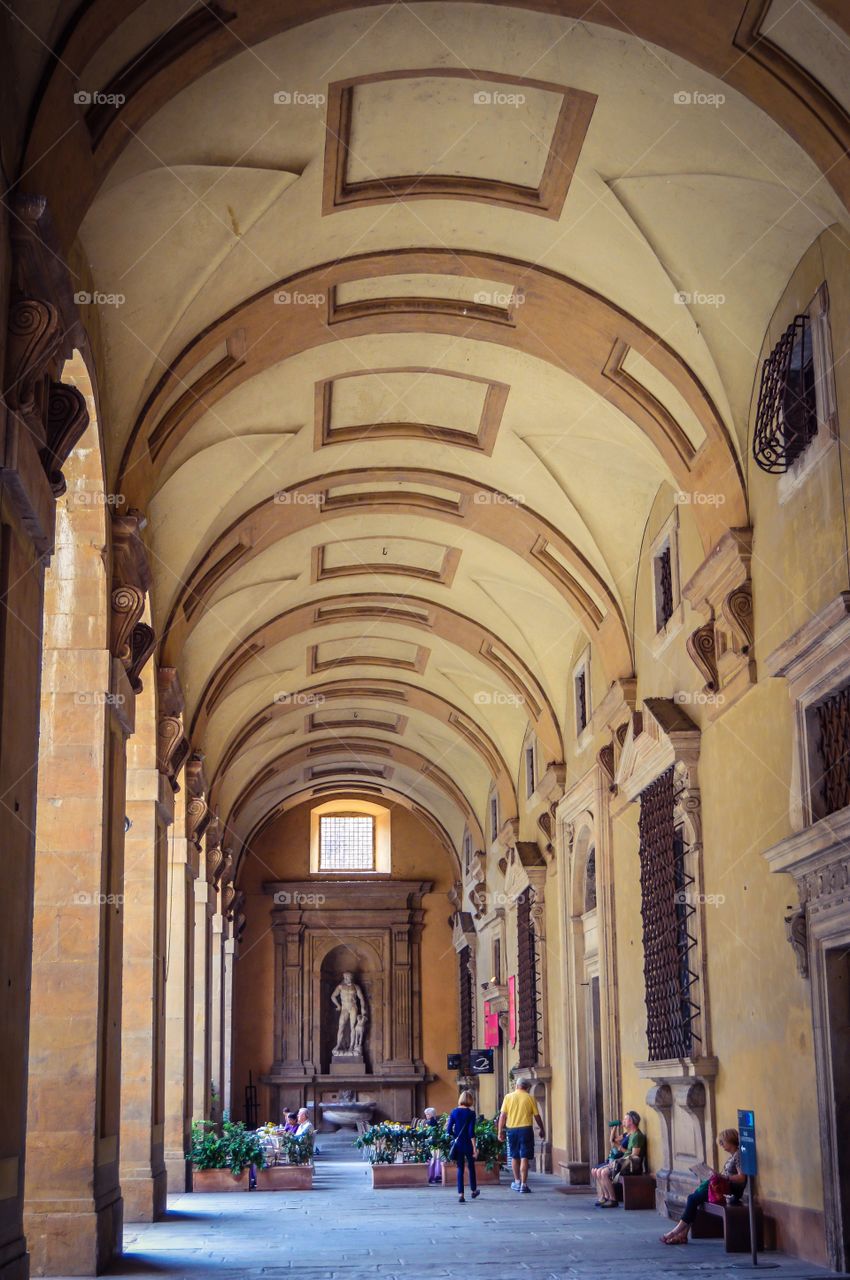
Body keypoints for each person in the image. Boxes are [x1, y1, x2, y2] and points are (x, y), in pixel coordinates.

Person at [660, 1129, 747, 1244]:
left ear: (730, 1140)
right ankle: (683, 1234)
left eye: (722, 1142)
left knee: (693, 1198)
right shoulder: (733, 1156)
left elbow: (742, 1177)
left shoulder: (738, 1155)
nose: (721, 1145)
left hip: (729, 1191)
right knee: (695, 1198)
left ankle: (676, 1232)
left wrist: (723, 1177)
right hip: (723, 1187)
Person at [497, 1077, 545, 1193]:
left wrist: (500, 1131)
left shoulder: (508, 1097)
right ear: (527, 1087)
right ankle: (524, 1185)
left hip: (512, 1130)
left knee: (514, 1156)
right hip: (526, 1130)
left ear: (517, 1086)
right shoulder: (530, 1098)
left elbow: (503, 1116)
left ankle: (517, 1182)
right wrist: (542, 1128)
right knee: (524, 1157)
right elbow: (537, 1116)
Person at [592, 1110, 646, 1207]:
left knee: (603, 1172)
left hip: (629, 1166)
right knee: (599, 1171)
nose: (623, 1121)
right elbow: (613, 1141)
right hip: (623, 1163)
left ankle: (613, 1199)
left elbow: (635, 1155)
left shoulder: (637, 1136)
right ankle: (607, 1197)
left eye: (625, 1119)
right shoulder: (630, 1134)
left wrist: (618, 1159)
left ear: (631, 1121)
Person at [445, 1091, 478, 1202]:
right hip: (468, 1144)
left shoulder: (454, 1112)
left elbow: (448, 1130)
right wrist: (474, 1147)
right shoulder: (471, 1113)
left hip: (458, 1144)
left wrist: (456, 1137)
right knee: (471, 1167)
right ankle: (473, 1190)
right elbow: (471, 1132)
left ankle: (461, 1194)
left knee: (460, 1168)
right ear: (470, 1100)